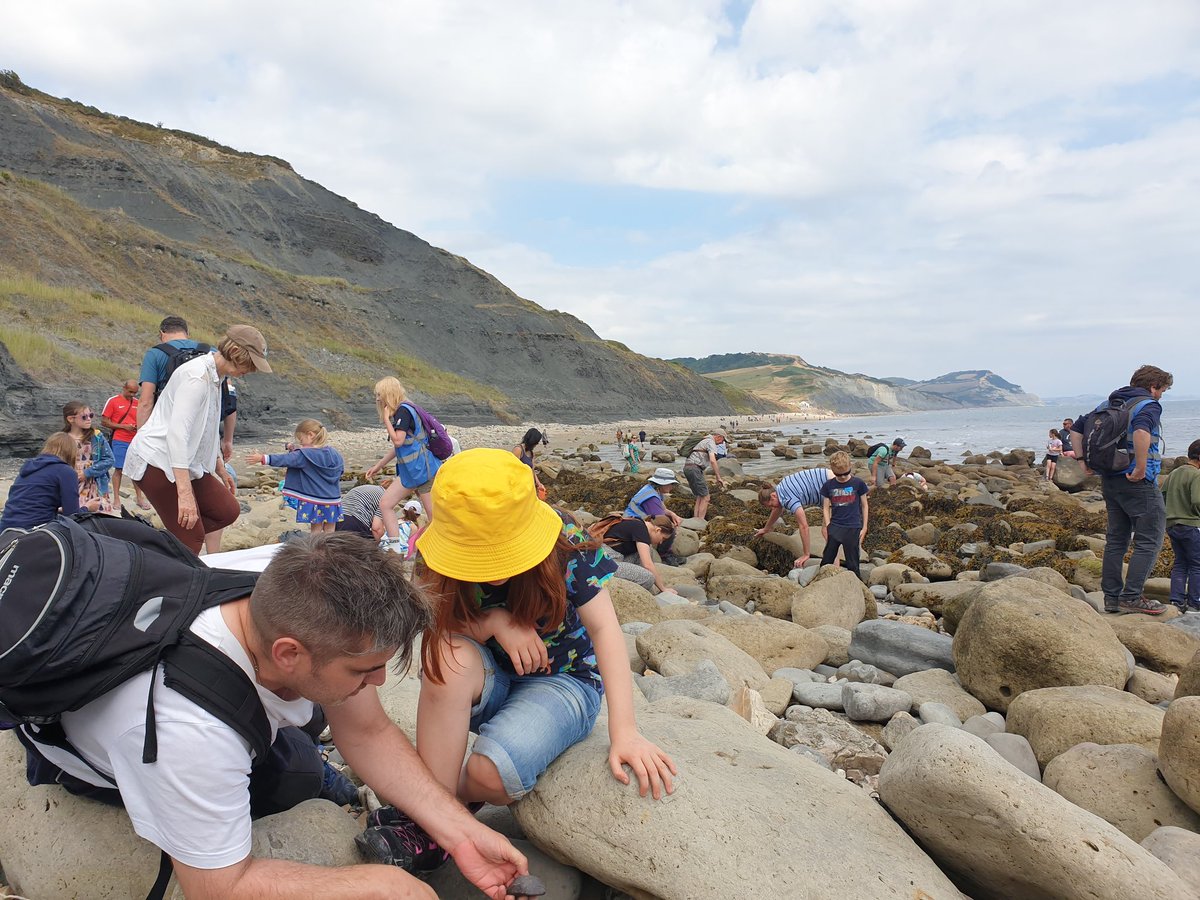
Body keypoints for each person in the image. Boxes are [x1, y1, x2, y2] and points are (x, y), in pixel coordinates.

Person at [18, 532, 527, 899]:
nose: (378, 682)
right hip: (112, 744)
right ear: (288, 654)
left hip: (215, 696)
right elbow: (218, 888)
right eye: (365, 669)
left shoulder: (291, 577)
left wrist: (460, 831)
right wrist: (378, 886)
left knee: (306, 753)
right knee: (293, 780)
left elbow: (369, 730)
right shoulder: (191, 735)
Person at [358, 450, 675, 868]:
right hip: (487, 675)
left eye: (501, 550)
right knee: (447, 656)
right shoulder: (437, 548)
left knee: (492, 775)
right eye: (478, 553)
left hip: (565, 680)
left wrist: (625, 731)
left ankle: (433, 802)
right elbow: (434, 623)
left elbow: (605, 630)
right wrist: (495, 621)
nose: (493, 568)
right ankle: (432, 826)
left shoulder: (564, 540)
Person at [125, 326, 270, 554]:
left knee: (226, 511)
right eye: (250, 364)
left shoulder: (216, 377)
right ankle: (166, 557)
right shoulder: (196, 377)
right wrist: (184, 495)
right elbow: (177, 435)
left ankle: (166, 547)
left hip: (186, 459)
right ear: (236, 353)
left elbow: (207, 427)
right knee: (191, 538)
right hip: (156, 459)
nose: (250, 371)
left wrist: (219, 467)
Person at [1069, 364, 1172, 615]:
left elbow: (1076, 430)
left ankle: (1112, 598)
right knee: (1149, 539)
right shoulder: (1148, 405)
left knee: (1116, 540)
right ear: (1153, 386)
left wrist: (1082, 462)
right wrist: (1140, 468)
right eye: (1162, 390)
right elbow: (1141, 431)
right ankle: (1132, 597)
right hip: (1137, 482)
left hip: (1110, 479)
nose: (1161, 395)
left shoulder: (1107, 404)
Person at [365, 378, 441, 552]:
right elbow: (401, 446)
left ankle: (436, 550)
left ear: (388, 393)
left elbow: (398, 441)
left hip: (424, 471)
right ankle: (395, 547)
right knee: (385, 504)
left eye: (379, 394)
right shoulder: (404, 411)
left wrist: (386, 419)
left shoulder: (403, 411)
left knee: (434, 518)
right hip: (411, 472)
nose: (377, 399)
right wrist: (379, 465)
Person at [248, 419, 345, 534]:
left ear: (310, 435)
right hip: (333, 500)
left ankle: (315, 546)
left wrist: (263, 458)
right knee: (330, 529)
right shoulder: (334, 453)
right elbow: (341, 470)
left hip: (315, 500)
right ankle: (331, 545)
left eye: (301, 440)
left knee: (316, 530)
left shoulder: (303, 456)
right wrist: (293, 448)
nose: (301, 444)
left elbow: (286, 459)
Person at [0, 433, 97, 529]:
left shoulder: (28, 468)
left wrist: (56, 510)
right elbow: (72, 516)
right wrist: (87, 508)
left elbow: (27, 503)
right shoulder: (65, 471)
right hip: (33, 529)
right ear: (71, 452)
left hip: (6, 528)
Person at [754, 466, 834, 568]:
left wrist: (806, 554)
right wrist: (766, 528)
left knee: (827, 531)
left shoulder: (787, 499)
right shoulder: (781, 488)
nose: (772, 508)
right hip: (834, 478)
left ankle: (835, 567)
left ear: (773, 496)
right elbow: (777, 509)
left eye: (771, 505)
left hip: (834, 486)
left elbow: (804, 526)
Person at [592, 514, 677, 593]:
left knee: (648, 551)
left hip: (611, 558)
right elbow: (648, 565)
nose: (661, 542)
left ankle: (648, 591)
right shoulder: (641, 530)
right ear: (658, 530)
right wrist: (663, 589)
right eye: (663, 538)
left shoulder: (638, 523)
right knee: (648, 578)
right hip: (605, 563)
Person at [1162, 439, 1200, 613]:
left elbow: (1162, 494)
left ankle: (1176, 601)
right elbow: (1197, 501)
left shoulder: (1174, 473)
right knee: (1197, 564)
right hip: (1191, 524)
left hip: (1172, 524)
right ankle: (1195, 602)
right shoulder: (1196, 475)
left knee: (1180, 563)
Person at [819, 452, 869, 581]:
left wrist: (864, 527)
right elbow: (826, 507)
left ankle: (857, 585)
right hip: (835, 526)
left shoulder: (858, 483)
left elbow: (864, 505)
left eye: (845, 473)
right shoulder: (828, 485)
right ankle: (821, 582)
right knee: (827, 559)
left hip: (853, 527)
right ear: (832, 470)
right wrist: (828, 525)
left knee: (853, 563)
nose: (842, 477)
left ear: (850, 466)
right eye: (838, 474)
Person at [101, 378, 150, 510]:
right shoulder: (113, 401)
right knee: (119, 469)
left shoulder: (137, 403)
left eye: (135, 392)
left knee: (137, 469)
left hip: (135, 440)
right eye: (130, 392)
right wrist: (123, 427)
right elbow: (104, 421)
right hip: (120, 439)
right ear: (124, 388)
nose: (132, 395)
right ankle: (116, 499)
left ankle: (139, 498)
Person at [61, 400, 114, 513]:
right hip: (72, 481)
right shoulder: (62, 438)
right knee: (73, 512)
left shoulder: (96, 437)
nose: (89, 419)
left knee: (98, 512)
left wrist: (88, 472)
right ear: (70, 419)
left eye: (91, 415)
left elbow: (109, 459)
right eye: (84, 417)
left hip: (94, 482)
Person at [682, 430, 727, 520]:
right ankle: (700, 520)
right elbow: (713, 460)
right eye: (723, 440)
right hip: (695, 468)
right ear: (719, 437)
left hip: (688, 467)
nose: (722, 443)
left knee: (700, 496)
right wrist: (718, 477)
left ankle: (696, 519)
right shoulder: (710, 442)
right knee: (706, 497)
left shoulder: (704, 440)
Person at [511, 428, 546, 499]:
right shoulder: (518, 450)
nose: (536, 444)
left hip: (528, 484)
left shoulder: (531, 453)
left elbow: (532, 470)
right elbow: (512, 469)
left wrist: (538, 483)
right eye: (536, 442)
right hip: (518, 485)